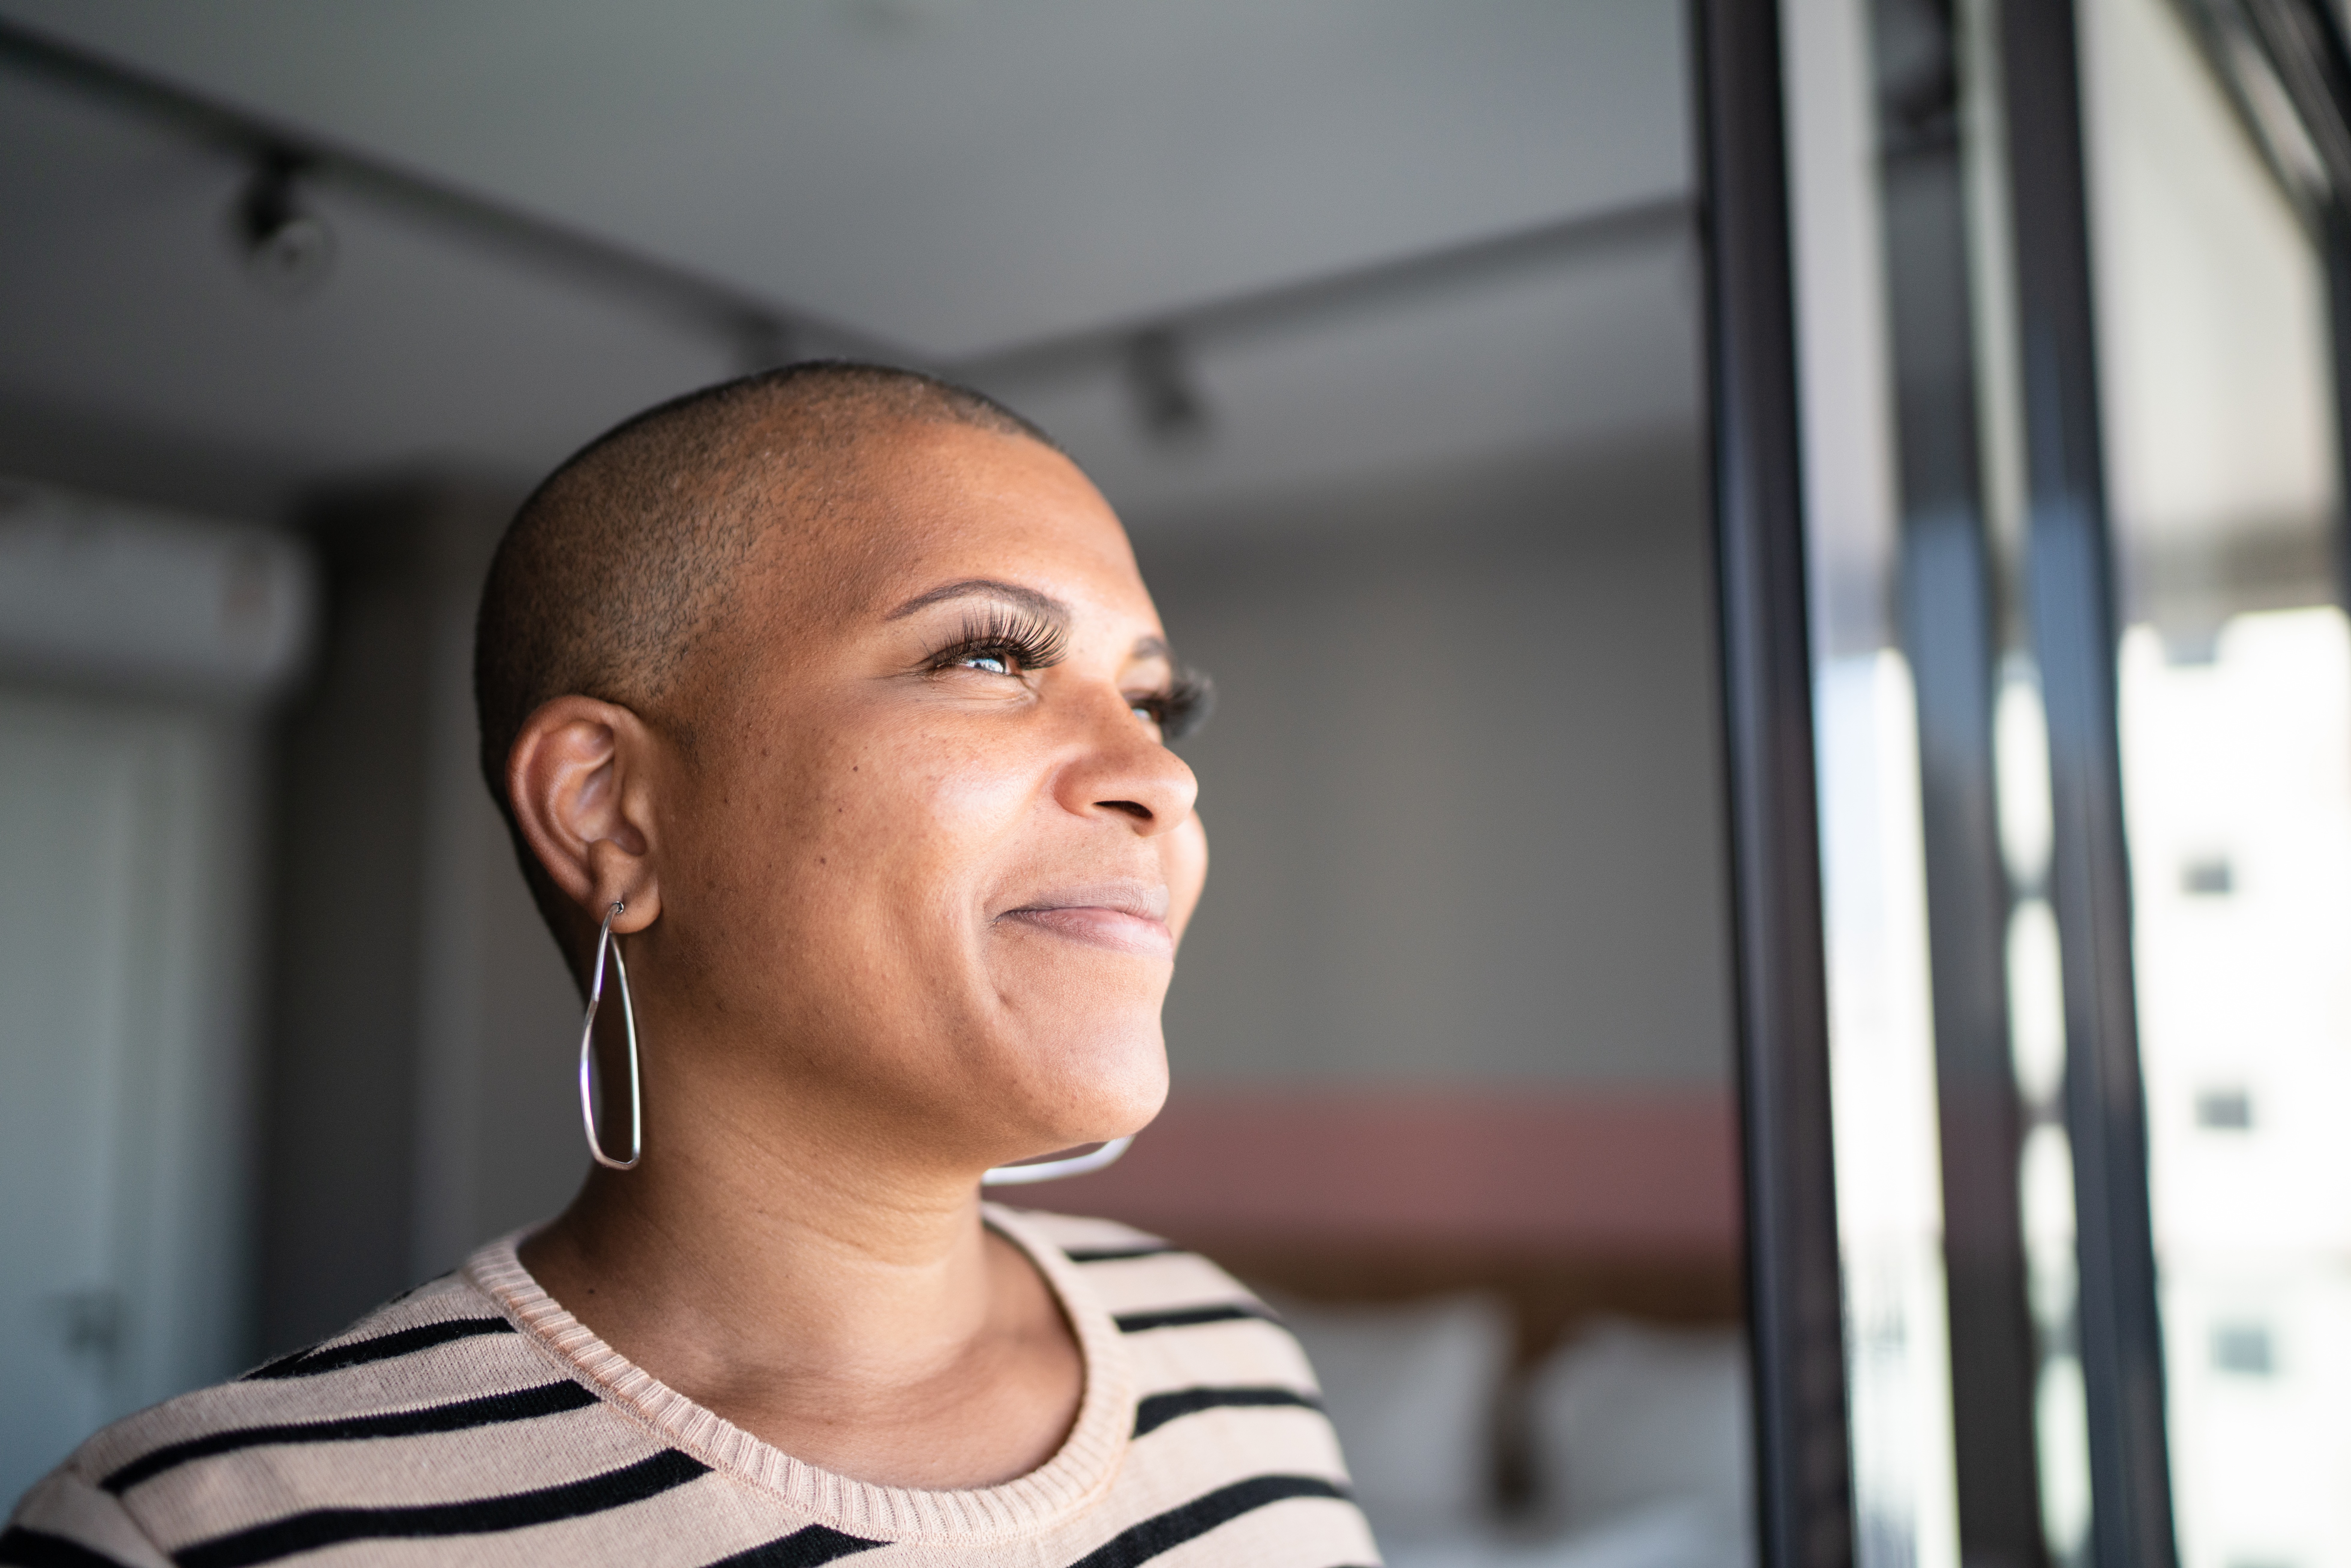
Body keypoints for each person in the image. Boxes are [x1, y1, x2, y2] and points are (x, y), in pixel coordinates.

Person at [3, 364, 1377, 1567]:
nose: (1161, 779)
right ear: (611, 810)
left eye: (1153, 703)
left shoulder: (1226, 1355)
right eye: (987, 654)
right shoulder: (204, 1532)